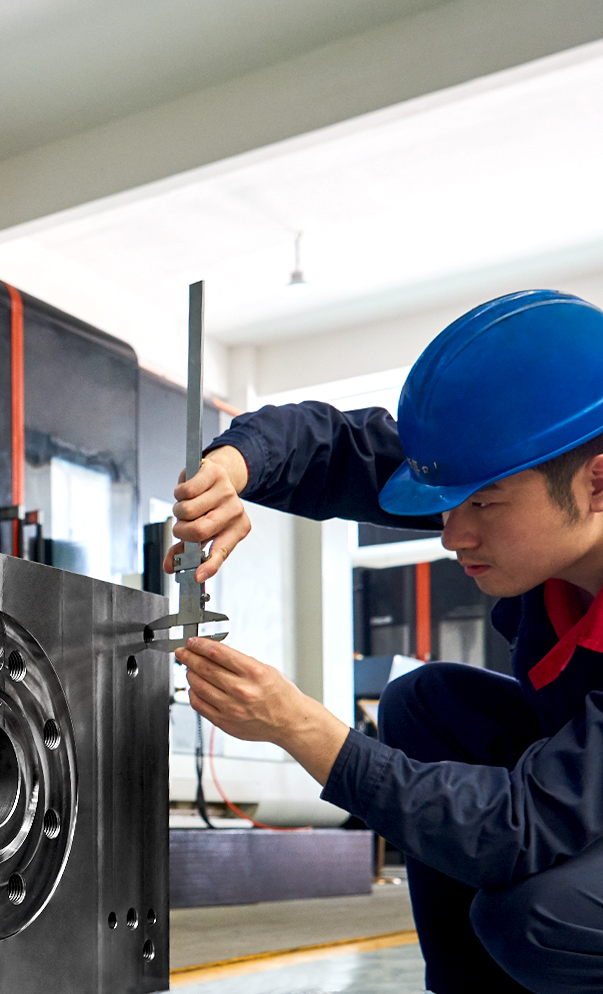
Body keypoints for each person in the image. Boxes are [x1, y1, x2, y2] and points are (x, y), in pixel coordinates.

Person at [171, 289, 603, 994]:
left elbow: (520, 827)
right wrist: (232, 467)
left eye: (482, 503)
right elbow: (342, 450)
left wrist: (300, 727)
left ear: (598, 481)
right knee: (425, 703)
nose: (452, 535)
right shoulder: (533, 486)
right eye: (448, 504)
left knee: (541, 918)